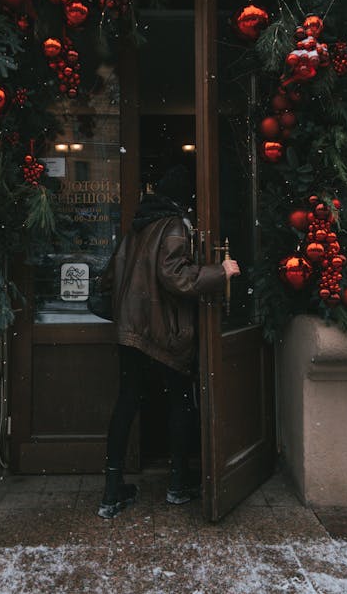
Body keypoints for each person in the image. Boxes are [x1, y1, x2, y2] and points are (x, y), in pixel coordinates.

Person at [97, 165, 240, 519]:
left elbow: (111, 276)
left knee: (126, 403)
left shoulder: (137, 227)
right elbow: (175, 277)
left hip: (131, 330)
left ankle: (111, 491)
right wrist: (221, 273)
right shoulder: (175, 225)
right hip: (163, 332)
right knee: (180, 402)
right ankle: (178, 483)